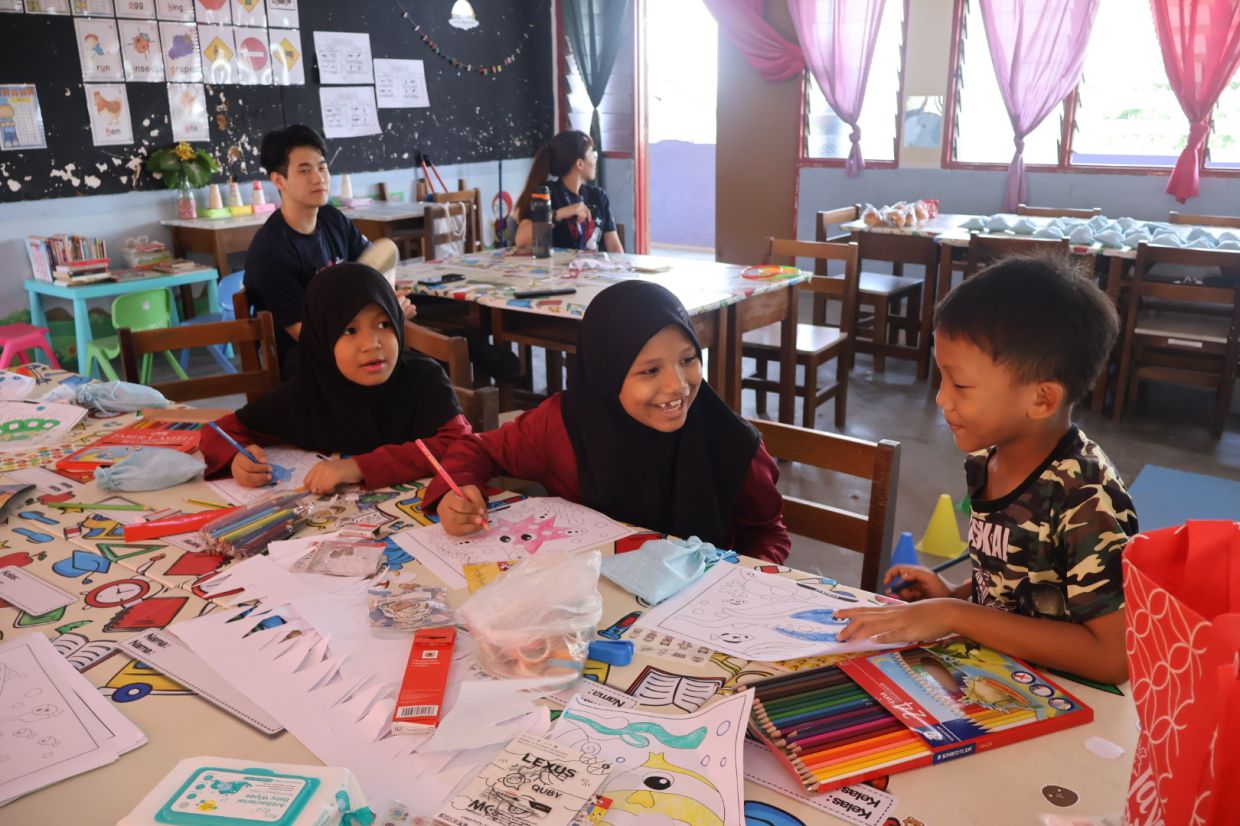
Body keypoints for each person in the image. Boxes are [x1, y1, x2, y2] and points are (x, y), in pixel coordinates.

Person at [837, 255, 1138, 685]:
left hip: (1068, 704)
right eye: (941, 378)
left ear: (1041, 400)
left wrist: (955, 615)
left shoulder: (1085, 498)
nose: (941, 399)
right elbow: (1014, 584)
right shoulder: (989, 460)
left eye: (960, 384)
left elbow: (1113, 658)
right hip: (992, 678)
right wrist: (955, 595)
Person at [426, 281, 789, 562]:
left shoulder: (733, 445)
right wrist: (456, 491)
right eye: (650, 370)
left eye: (689, 359)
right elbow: (478, 448)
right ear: (605, 373)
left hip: (697, 609)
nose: (677, 385)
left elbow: (769, 534)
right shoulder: (563, 425)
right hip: (590, 604)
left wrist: (741, 579)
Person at [199, 264, 469, 495]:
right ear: (322, 339)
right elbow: (219, 432)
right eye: (349, 330)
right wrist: (238, 458)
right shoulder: (304, 395)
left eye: (384, 325)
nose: (371, 344)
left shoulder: (423, 379)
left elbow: (459, 443)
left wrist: (358, 467)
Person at [244, 124, 414, 376]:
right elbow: (305, 334)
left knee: (434, 348)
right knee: (412, 367)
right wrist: (388, 320)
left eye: (322, 167)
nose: (318, 178)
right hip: (306, 357)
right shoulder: (270, 252)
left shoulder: (332, 219)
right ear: (279, 180)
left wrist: (389, 308)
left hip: (356, 335)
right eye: (304, 170)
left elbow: (370, 273)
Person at [513, 130, 622, 253]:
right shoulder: (546, 193)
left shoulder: (598, 196)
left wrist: (623, 270)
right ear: (580, 164)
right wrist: (559, 214)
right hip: (557, 271)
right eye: (592, 155)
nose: (595, 160)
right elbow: (521, 240)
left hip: (594, 270)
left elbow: (614, 247)